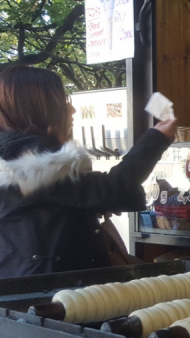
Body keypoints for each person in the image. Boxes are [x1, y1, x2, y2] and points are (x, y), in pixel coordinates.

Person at [0, 66, 177, 278]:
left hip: (25, 282)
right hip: (52, 290)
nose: (72, 110)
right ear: (40, 108)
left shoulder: (13, 154)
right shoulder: (37, 162)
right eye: (63, 101)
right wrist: (156, 139)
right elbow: (110, 190)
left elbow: (80, 196)